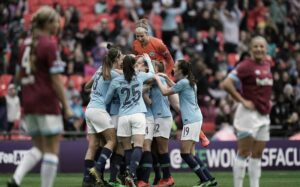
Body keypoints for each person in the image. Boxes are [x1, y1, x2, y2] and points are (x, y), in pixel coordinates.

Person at [7, 6, 73, 187]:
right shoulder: (49, 44)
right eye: (56, 21)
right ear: (49, 23)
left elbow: (19, 74)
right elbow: (56, 81)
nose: (59, 25)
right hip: (46, 101)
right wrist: (66, 106)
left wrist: (18, 88)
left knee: (38, 147)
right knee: (52, 149)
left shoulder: (24, 45)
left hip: (29, 101)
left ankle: (16, 179)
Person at [154, 60, 217, 187]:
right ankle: (209, 178)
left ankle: (204, 180)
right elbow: (176, 87)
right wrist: (166, 77)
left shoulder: (183, 82)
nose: (173, 69)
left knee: (184, 153)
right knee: (192, 153)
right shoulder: (188, 81)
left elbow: (165, 92)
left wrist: (157, 79)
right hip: (196, 118)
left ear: (181, 70)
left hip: (191, 120)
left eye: (175, 67)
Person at [221, 36, 273, 187]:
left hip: (264, 115)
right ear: (251, 49)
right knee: (244, 153)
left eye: (262, 46)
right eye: (256, 46)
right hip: (247, 115)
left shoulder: (267, 65)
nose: (259, 49)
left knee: (257, 155)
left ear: (266, 49)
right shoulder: (246, 65)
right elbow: (226, 83)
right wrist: (242, 101)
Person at [105, 54, 155, 187]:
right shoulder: (139, 76)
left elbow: (107, 99)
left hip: (123, 116)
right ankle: (131, 174)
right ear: (134, 65)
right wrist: (148, 60)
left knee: (127, 149)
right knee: (138, 146)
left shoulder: (116, 81)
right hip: (138, 115)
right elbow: (152, 73)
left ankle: (128, 174)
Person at [84, 47, 122, 187]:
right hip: (99, 110)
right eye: (120, 57)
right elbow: (130, 78)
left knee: (93, 146)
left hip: (89, 109)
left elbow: (86, 86)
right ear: (116, 59)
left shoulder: (100, 69)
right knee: (112, 140)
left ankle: (87, 180)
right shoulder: (113, 74)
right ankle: (97, 169)